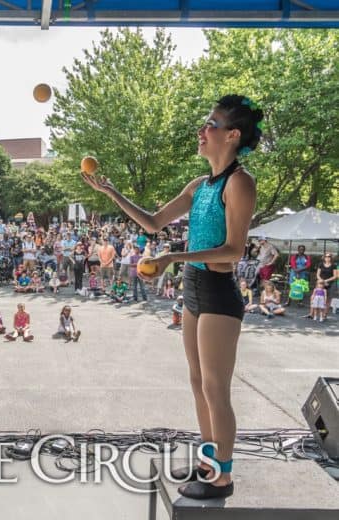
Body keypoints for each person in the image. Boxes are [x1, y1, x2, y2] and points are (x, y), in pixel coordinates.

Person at [82, 94, 263, 499]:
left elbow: (234, 249)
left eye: (210, 125)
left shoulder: (240, 182)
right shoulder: (200, 185)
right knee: (199, 383)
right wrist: (110, 192)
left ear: (232, 135)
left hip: (218, 291)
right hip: (194, 289)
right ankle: (207, 462)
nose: (202, 131)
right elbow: (153, 221)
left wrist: (172, 257)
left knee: (217, 387)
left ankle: (223, 477)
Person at [317, 253, 337, 320]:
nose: (327, 258)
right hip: (321, 283)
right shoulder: (320, 264)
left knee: (328, 299)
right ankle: (320, 313)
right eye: (326, 256)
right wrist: (322, 281)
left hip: (331, 284)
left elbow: (335, 276)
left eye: (329, 256)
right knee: (320, 298)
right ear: (324, 257)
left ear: (331, 258)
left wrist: (326, 281)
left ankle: (325, 315)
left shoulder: (334, 265)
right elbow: (318, 275)